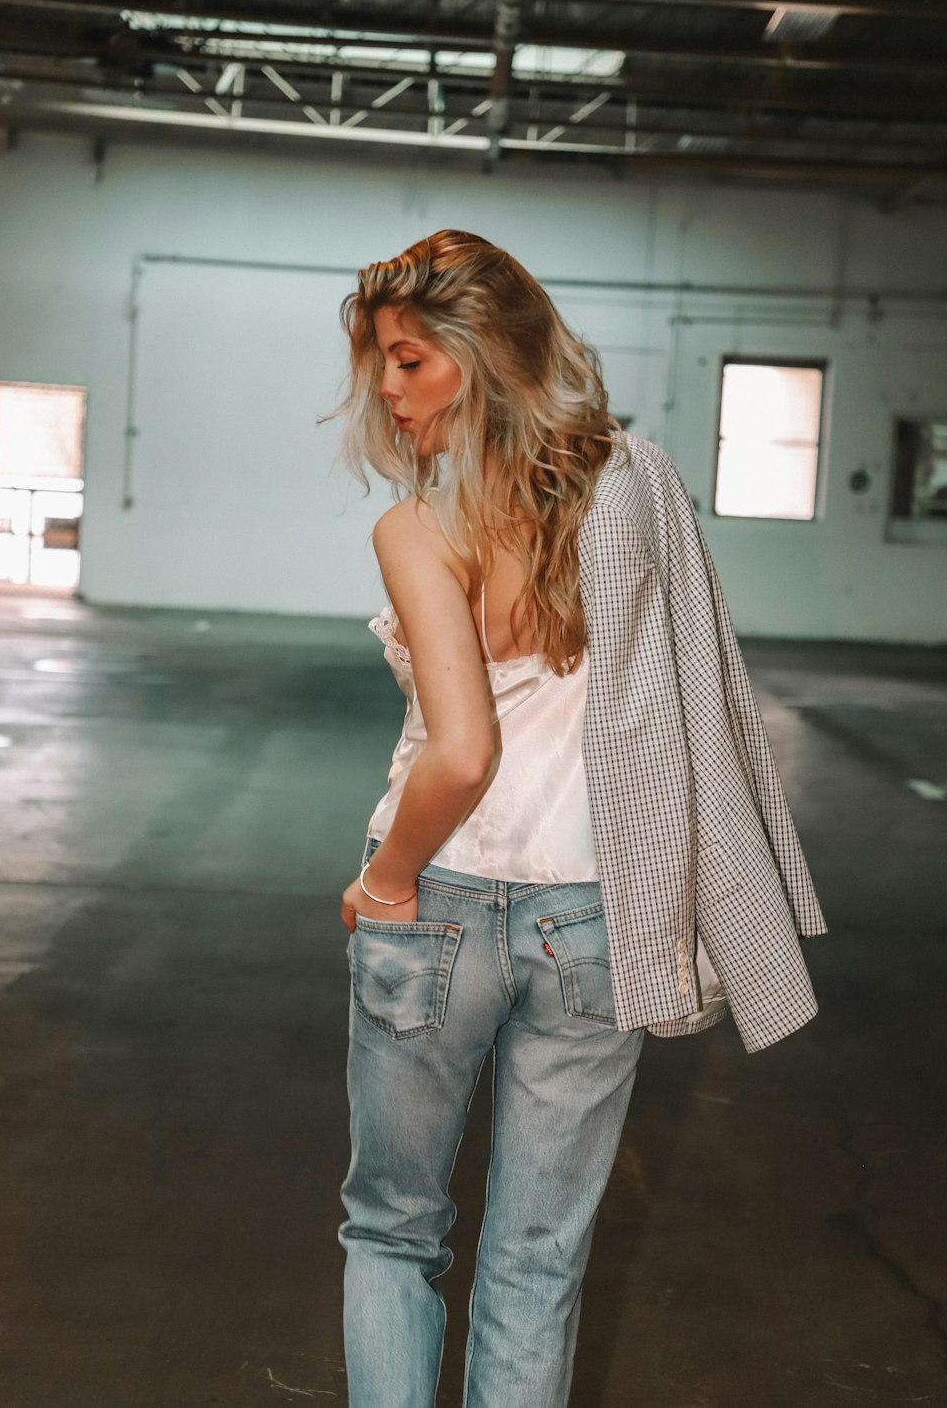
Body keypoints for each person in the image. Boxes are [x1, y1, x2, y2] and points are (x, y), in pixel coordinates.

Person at [328, 230, 826, 1408]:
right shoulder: (634, 490)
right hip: (595, 919)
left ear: (480, 351)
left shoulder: (420, 529)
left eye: (408, 362)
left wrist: (387, 880)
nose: (387, 394)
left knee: (392, 1232)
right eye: (380, 369)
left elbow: (459, 752)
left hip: (436, 907)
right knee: (537, 1258)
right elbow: (694, 697)